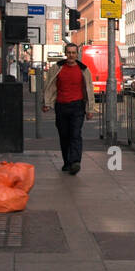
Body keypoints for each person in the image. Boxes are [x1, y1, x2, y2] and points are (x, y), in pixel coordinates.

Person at [42, 42, 94, 175]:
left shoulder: (84, 70)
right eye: (69, 53)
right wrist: (46, 103)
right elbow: (49, 86)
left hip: (77, 106)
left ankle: (75, 162)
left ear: (77, 54)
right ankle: (67, 162)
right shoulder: (57, 68)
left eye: (73, 53)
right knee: (64, 136)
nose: (71, 55)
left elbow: (89, 90)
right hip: (61, 106)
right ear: (66, 54)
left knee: (75, 134)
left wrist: (90, 109)